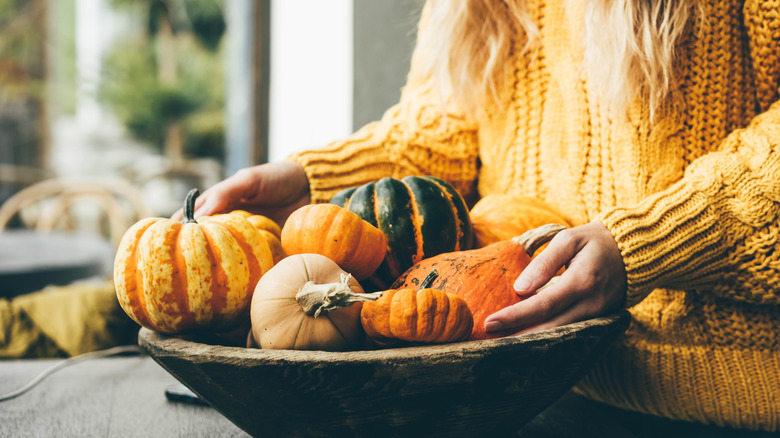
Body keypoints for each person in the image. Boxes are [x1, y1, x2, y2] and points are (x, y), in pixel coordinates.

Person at [176, 0, 780, 433]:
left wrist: (656, 243)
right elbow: (451, 125)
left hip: (732, 401)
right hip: (528, 389)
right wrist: (317, 180)